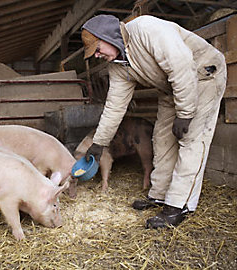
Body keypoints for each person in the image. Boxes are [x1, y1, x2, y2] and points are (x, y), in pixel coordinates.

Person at [81, 14, 226, 228]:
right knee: (162, 138)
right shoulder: (118, 66)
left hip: (202, 76)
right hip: (170, 88)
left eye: (98, 49)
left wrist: (185, 113)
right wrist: (99, 143)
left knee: (191, 140)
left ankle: (178, 206)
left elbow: (182, 65)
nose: (97, 56)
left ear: (108, 37)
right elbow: (115, 106)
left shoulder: (147, 29)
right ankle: (159, 195)